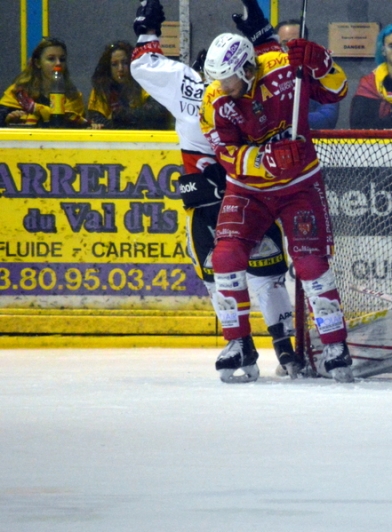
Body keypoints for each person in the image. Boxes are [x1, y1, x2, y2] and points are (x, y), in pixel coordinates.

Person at [131, 0, 302, 382]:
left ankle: (277, 346)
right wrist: (263, 35)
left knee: (259, 270)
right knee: (239, 272)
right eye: (216, 79)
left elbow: (144, 63)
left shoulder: (205, 85)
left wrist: (147, 32)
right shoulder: (232, 85)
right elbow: (145, 65)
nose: (221, 88)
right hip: (231, 196)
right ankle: (254, 344)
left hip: (241, 195)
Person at [199, 29, 353, 382]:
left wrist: (322, 64)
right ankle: (238, 342)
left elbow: (337, 91)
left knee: (310, 262)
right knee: (225, 257)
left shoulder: (285, 68)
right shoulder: (214, 100)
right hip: (248, 190)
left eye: (227, 79)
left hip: (300, 185)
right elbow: (226, 153)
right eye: (217, 81)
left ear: (248, 68)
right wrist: (267, 159)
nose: (222, 87)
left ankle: (334, 343)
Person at [0, 37, 88, 128]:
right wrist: (9, 121)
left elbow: (80, 129)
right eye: (51, 59)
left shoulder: (73, 96)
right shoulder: (18, 92)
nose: (58, 63)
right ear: (38, 63)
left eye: (62, 59)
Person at [87, 40, 170, 130]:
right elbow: (97, 121)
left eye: (125, 63)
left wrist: (120, 116)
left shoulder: (144, 84)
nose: (120, 69)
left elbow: (158, 113)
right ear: (108, 68)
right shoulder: (102, 90)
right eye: (114, 64)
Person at [276, 19, 339, 130]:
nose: (290, 49)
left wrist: (283, 119)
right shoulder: (265, 76)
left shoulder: (322, 73)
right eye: (284, 44)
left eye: (295, 43)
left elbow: (327, 118)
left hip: (310, 143)